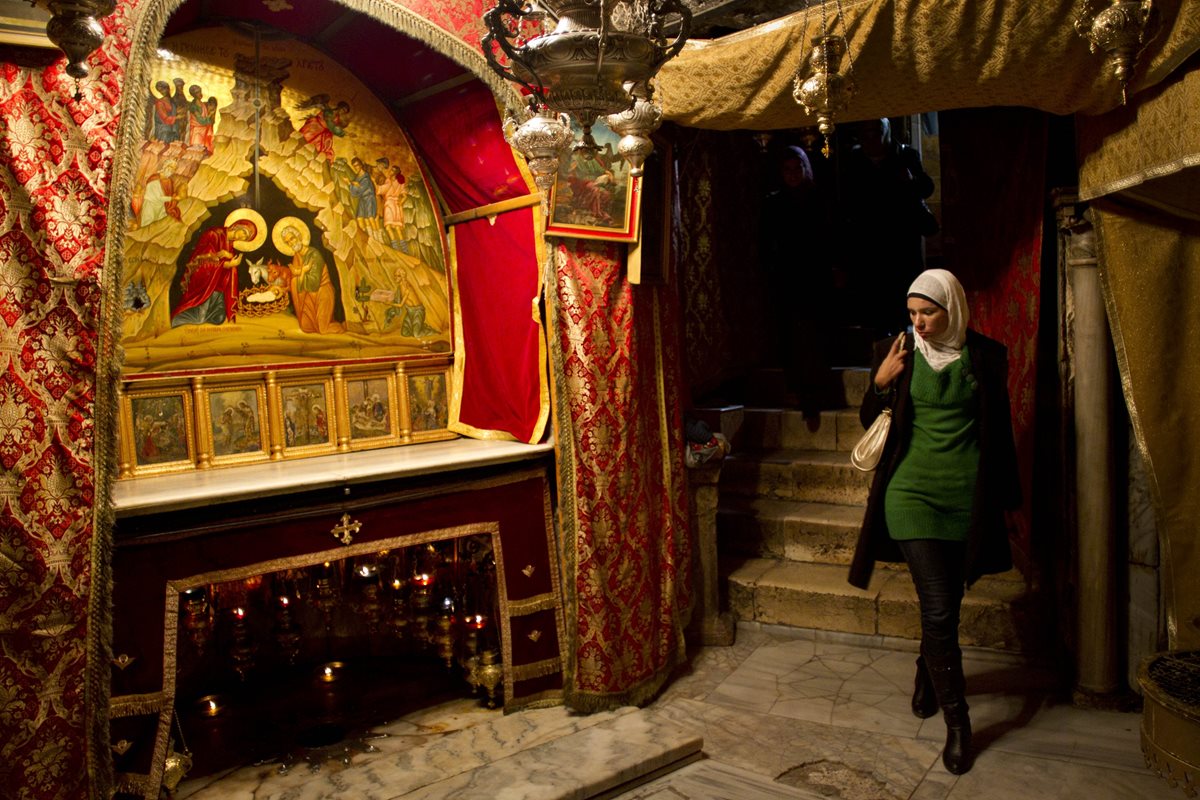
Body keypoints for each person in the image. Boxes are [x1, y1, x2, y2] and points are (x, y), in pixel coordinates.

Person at [848, 269, 1020, 775]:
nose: (919, 324)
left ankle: (928, 668)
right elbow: (870, 421)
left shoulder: (985, 356)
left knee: (946, 603)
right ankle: (959, 723)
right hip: (911, 495)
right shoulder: (897, 350)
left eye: (929, 313)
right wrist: (879, 384)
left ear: (953, 309)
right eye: (913, 314)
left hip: (965, 497)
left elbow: (1000, 431)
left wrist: (1007, 501)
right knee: (941, 610)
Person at [841, 118, 937, 335]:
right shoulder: (855, 160)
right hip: (869, 245)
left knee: (903, 302)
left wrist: (909, 181)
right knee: (875, 307)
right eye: (866, 132)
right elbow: (847, 202)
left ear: (887, 132)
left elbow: (925, 187)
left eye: (876, 131)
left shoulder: (905, 155)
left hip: (901, 243)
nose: (871, 138)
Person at [171, 219, 257, 327]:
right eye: (244, 233)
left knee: (219, 318)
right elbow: (203, 262)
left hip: (218, 286)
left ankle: (204, 316)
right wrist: (228, 264)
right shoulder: (213, 234)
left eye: (246, 238)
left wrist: (229, 257)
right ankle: (176, 319)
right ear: (237, 226)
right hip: (205, 284)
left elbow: (226, 264)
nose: (242, 238)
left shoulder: (230, 244)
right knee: (198, 319)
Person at [281, 224, 344, 334]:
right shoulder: (296, 257)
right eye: (288, 242)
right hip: (309, 297)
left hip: (322, 293)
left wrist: (301, 273)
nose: (291, 243)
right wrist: (300, 273)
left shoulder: (314, 255)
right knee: (306, 327)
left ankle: (345, 327)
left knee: (323, 329)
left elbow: (314, 284)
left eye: (292, 238)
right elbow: (296, 284)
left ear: (299, 237)